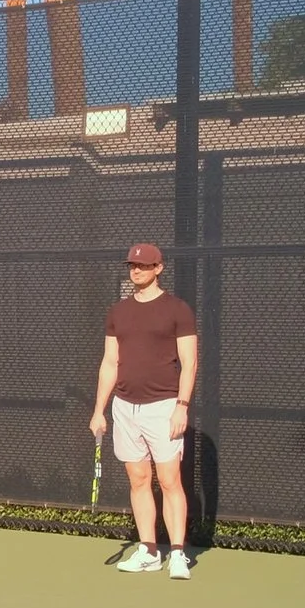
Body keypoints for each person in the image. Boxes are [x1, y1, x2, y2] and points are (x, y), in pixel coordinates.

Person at [88, 242, 199, 580]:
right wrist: (99, 411)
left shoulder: (177, 310)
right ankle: (148, 550)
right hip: (124, 408)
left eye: (144, 266)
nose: (136, 271)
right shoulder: (118, 312)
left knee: (169, 480)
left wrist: (181, 406)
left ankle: (178, 554)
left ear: (159, 268)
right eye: (132, 266)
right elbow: (110, 362)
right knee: (138, 480)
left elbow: (190, 363)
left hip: (164, 407)